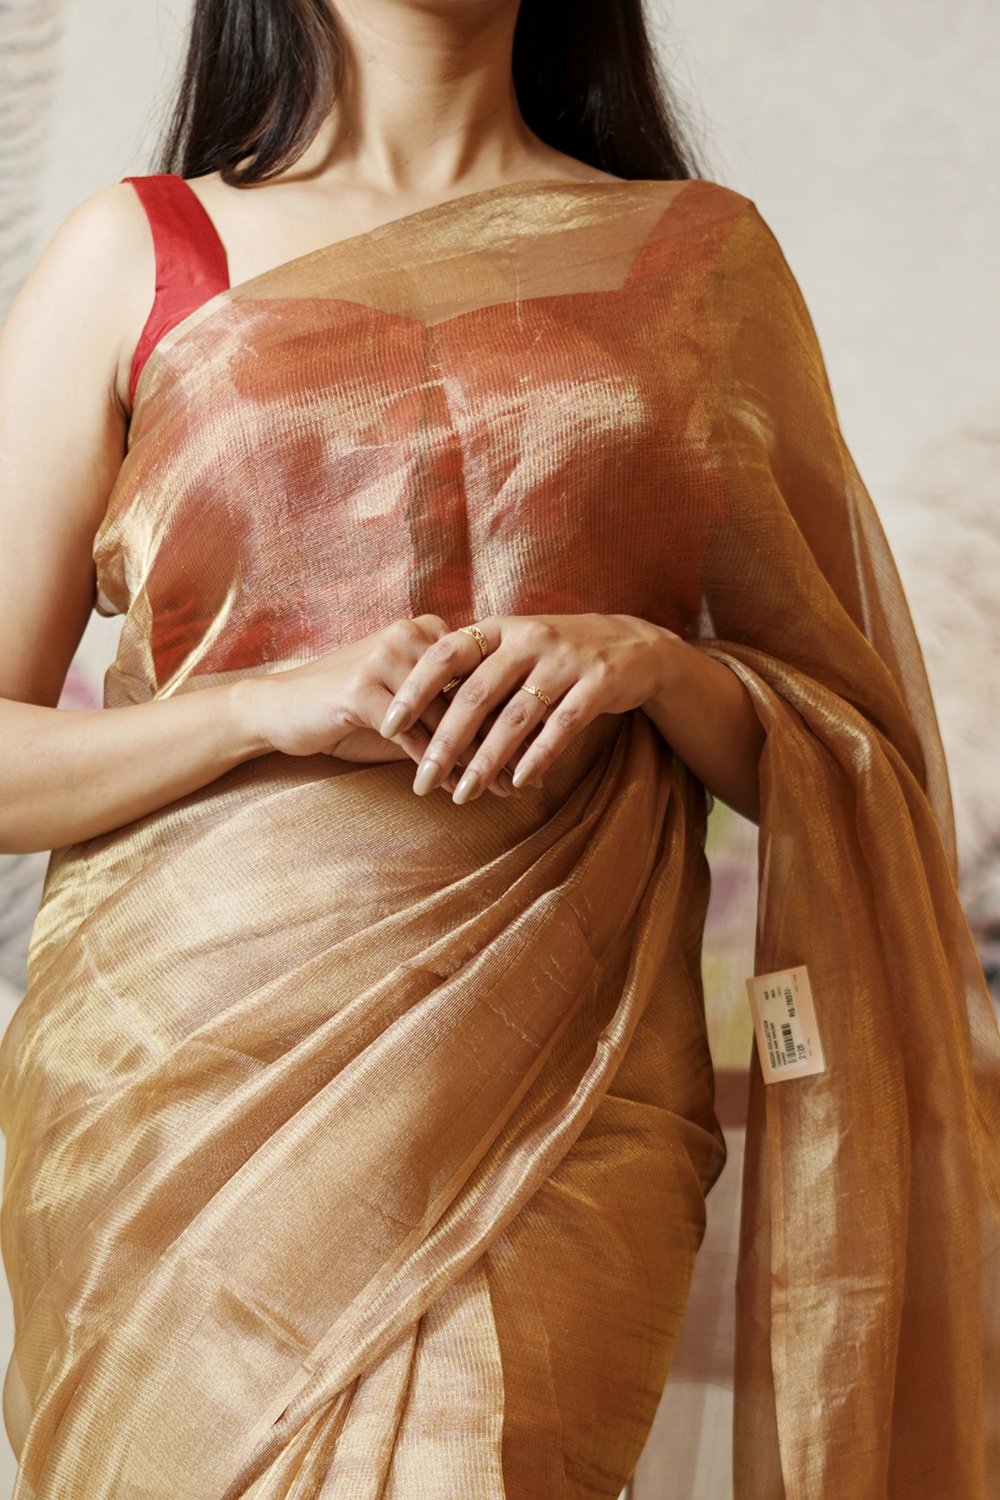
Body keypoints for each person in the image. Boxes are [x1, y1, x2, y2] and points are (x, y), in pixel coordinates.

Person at [0, 1, 997, 1496]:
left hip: (563, 1089)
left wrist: (653, 666)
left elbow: (856, 746)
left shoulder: (698, 261)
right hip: (184, 1084)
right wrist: (263, 706)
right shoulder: (136, 257)